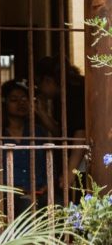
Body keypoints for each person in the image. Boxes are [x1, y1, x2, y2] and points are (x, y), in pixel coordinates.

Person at [0, 79, 48, 213]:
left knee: (59, 205)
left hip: (36, 192)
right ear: (3, 103)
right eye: (14, 100)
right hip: (1, 194)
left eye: (25, 98)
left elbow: (46, 166)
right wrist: (13, 189)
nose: (21, 103)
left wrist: (46, 185)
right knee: (25, 204)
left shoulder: (37, 132)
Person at [34, 57, 86, 190]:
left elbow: (81, 132)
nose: (39, 89)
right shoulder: (61, 96)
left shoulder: (75, 92)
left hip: (89, 152)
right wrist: (42, 113)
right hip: (80, 153)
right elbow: (63, 134)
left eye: (38, 85)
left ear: (48, 80)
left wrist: (70, 171)